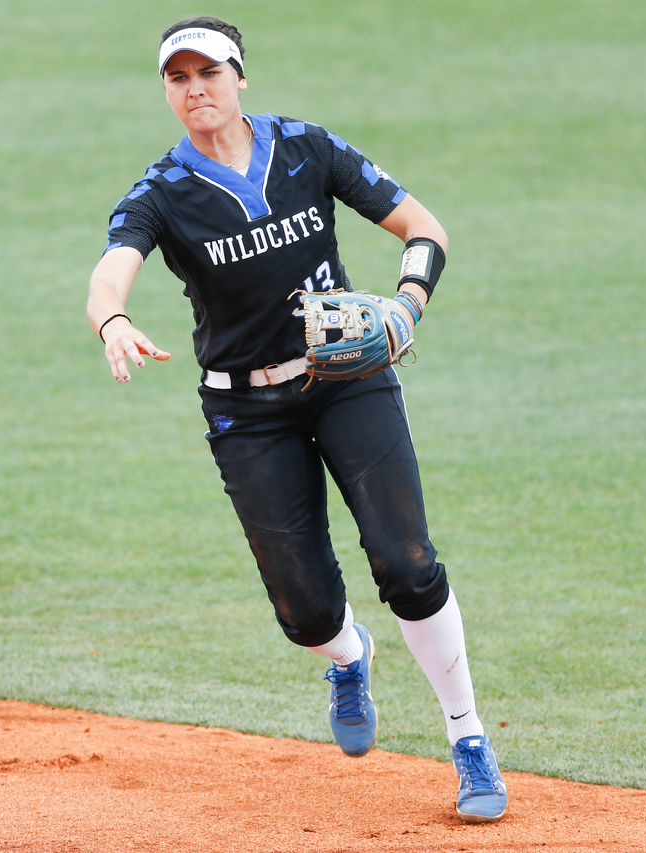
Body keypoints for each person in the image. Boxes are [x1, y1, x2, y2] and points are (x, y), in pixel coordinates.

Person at [85, 16, 508, 823]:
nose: (195, 88)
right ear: (167, 91)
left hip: (349, 376)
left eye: (209, 72)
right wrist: (112, 321)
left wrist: (407, 309)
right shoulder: (162, 192)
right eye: (178, 78)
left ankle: (468, 737)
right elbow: (110, 275)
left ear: (240, 78)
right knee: (306, 611)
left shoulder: (308, 148)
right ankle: (349, 656)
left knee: (407, 562)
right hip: (246, 408)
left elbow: (425, 227)